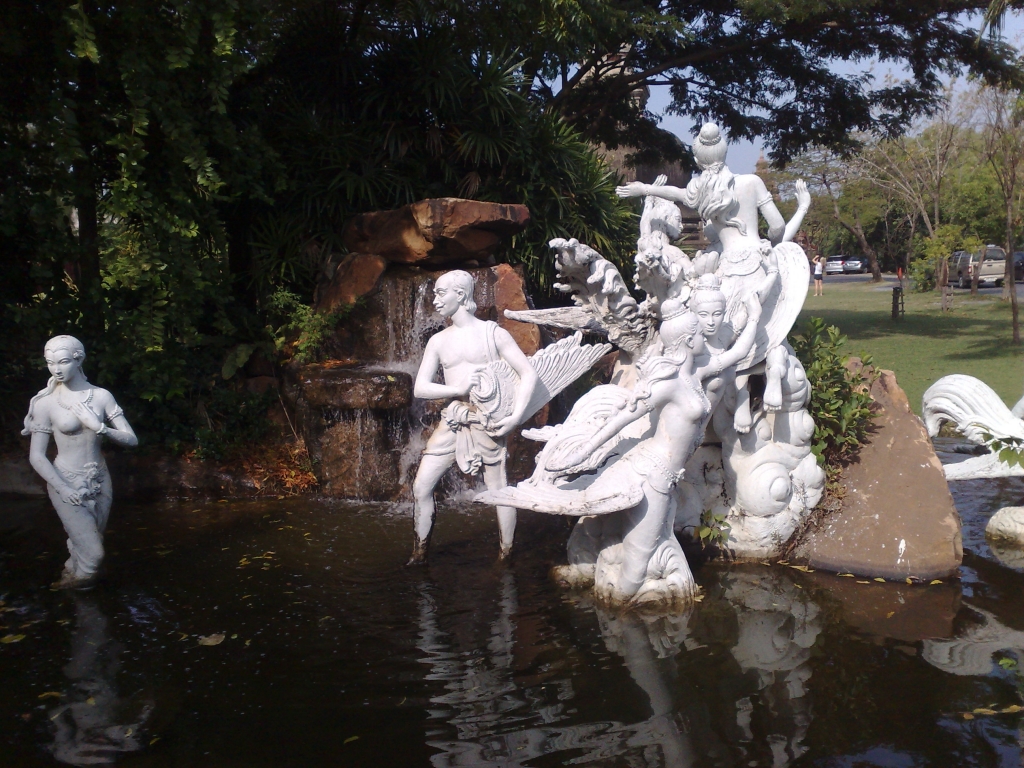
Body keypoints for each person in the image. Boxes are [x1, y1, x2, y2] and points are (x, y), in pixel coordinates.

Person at [408, 270, 539, 565]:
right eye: (434, 293)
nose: (435, 299)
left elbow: (528, 372)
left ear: (462, 295)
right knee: (421, 486)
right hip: (453, 419)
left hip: (487, 422)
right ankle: (419, 553)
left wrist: (516, 416)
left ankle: (506, 554)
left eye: (441, 293)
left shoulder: (493, 334)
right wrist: (456, 388)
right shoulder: (439, 341)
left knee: (499, 489)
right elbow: (420, 388)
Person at [22, 335, 137, 589]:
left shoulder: (101, 396)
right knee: (95, 555)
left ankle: (74, 580)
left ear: (79, 359)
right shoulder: (46, 403)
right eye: (51, 363)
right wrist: (64, 488)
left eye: (63, 362)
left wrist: (101, 428)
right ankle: (70, 589)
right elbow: (37, 456)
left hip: (99, 478)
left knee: (89, 540)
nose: (56, 369)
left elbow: (131, 440)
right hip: (66, 480)